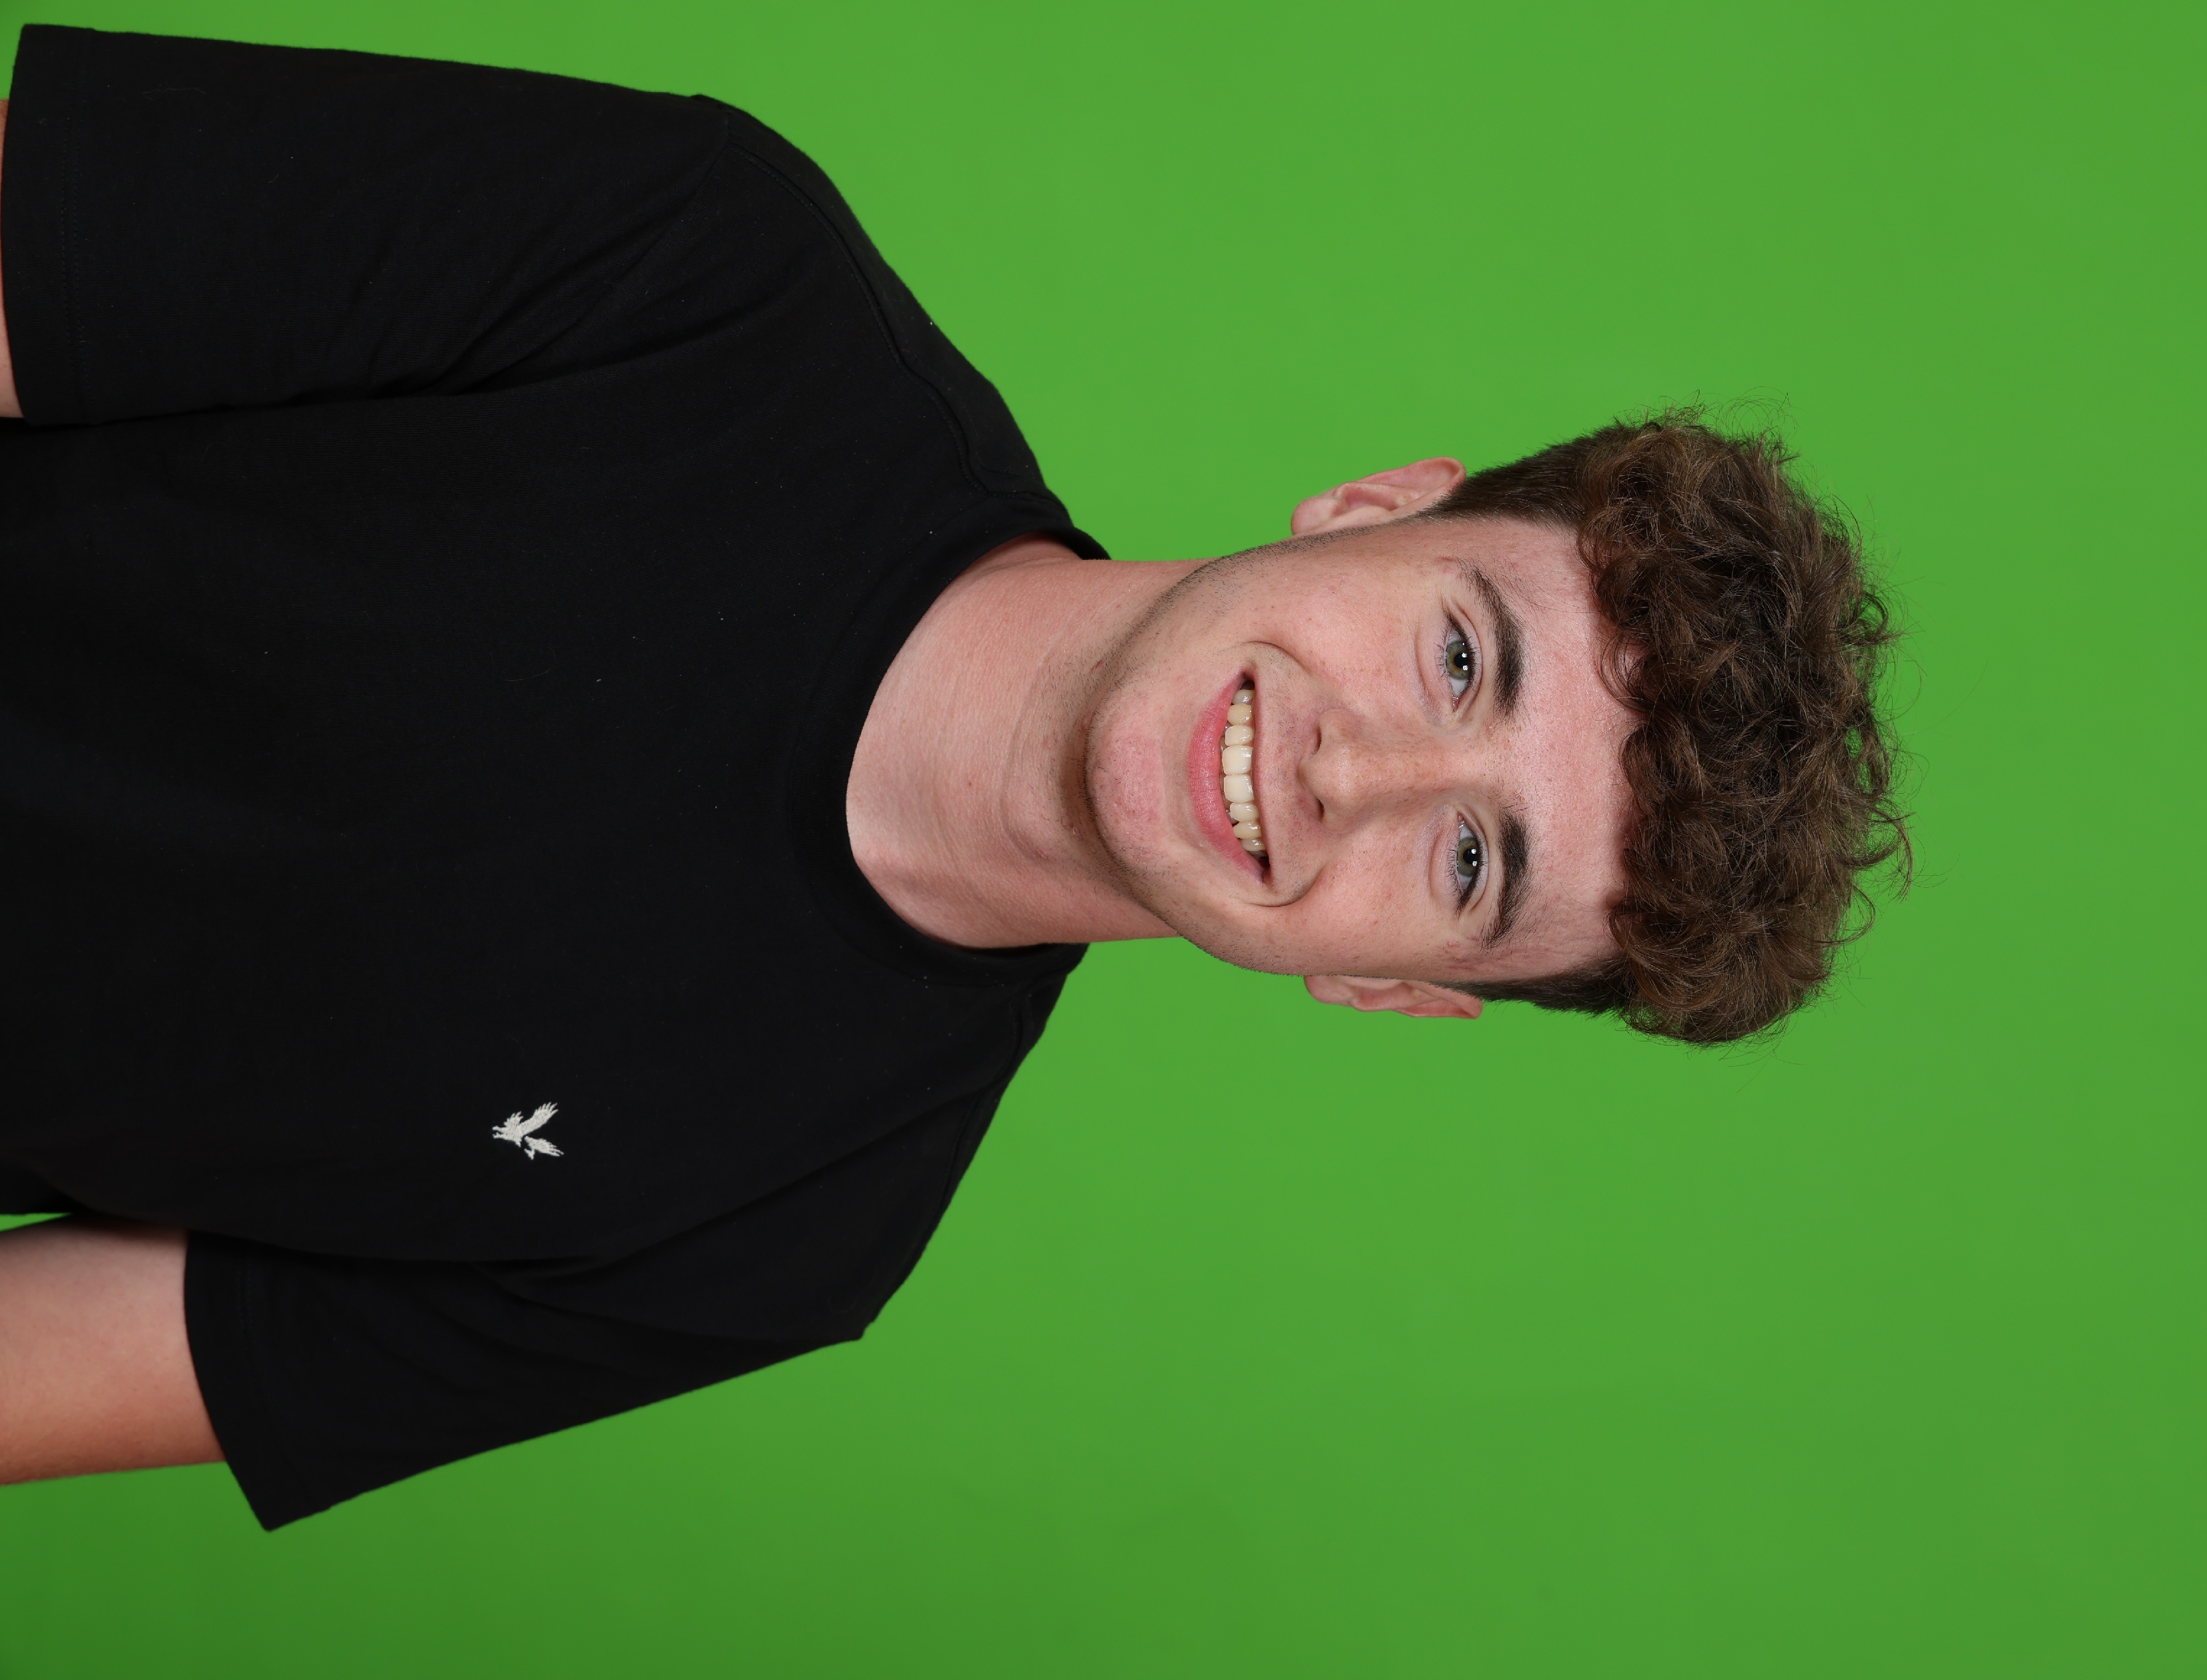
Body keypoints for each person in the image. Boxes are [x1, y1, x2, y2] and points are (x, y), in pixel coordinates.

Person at [0, 25, 1905, 1526]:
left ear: (1391, 987)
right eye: (1461, 656)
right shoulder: (708, 270)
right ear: (1375, 506)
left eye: (1475, 863)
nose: (1362, 775)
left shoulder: (791, 1237)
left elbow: (41, 1369)